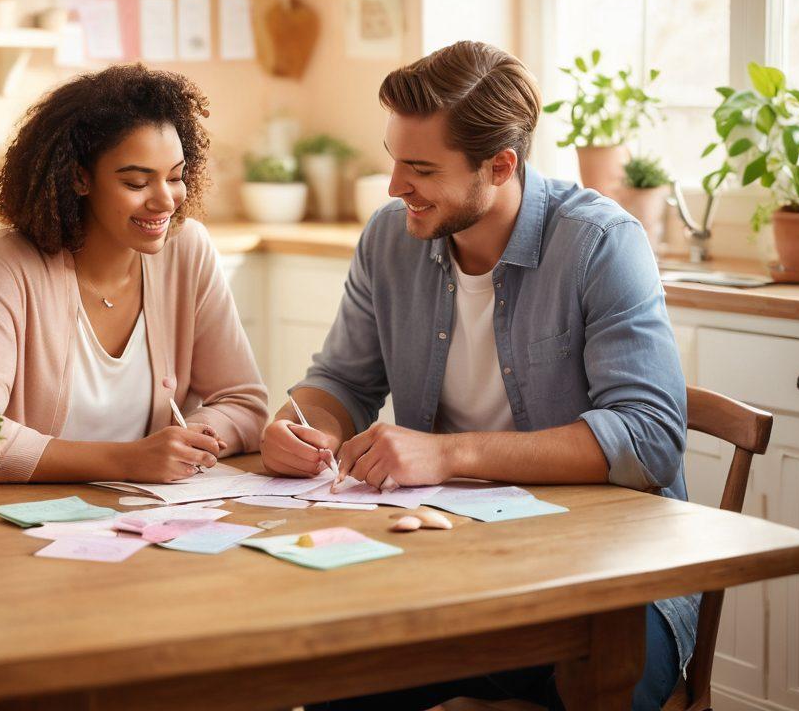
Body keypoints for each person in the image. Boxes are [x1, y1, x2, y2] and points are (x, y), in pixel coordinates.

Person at [260, 41, 695, 711]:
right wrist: (301, 426)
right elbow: (341, 380)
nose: (395, 186)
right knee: (332, 679)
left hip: (609, 570)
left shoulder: (601, 244)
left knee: (596, 690)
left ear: (500, 165)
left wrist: (448, 454)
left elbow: (648, 438)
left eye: (421, 169)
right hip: (449, 559)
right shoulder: (389, 237)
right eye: (394, 159)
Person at [0, 63, 269, 711]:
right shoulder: (9, 261)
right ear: (78, 177)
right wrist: (127, 459)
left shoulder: (188, 251)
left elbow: (244, 400)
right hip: (14, 553)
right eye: (135, 181)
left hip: (144, 542)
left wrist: (197, 437)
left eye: (174, 176)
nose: (164, 201)